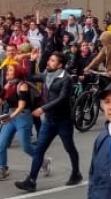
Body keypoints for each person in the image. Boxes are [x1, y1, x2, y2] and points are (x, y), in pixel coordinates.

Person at [16, 52, 84, 191]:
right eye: (49, 59)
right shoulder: (47, 74)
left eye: (53, 61)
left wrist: (43, 108)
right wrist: (33, 61)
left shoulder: (65, 78)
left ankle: (76, 173)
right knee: (39, 149)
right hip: (49, 121)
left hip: (63, 120)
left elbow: (62, 98)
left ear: (60, 65)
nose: (49, 62)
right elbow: (30, 77)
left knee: (69, 147)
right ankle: (31, 180)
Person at [0, 65, 36, 182]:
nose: (7, 72)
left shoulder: (23, 86)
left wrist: (10, 117)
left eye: (10, 70)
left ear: (17, 73)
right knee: (1, 143)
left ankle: (43, 161)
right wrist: (0, 93)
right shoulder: (9, 85)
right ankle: (2, 170)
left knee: (26, 146)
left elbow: (21, 106)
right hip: (11, 115)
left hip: (22, 116)